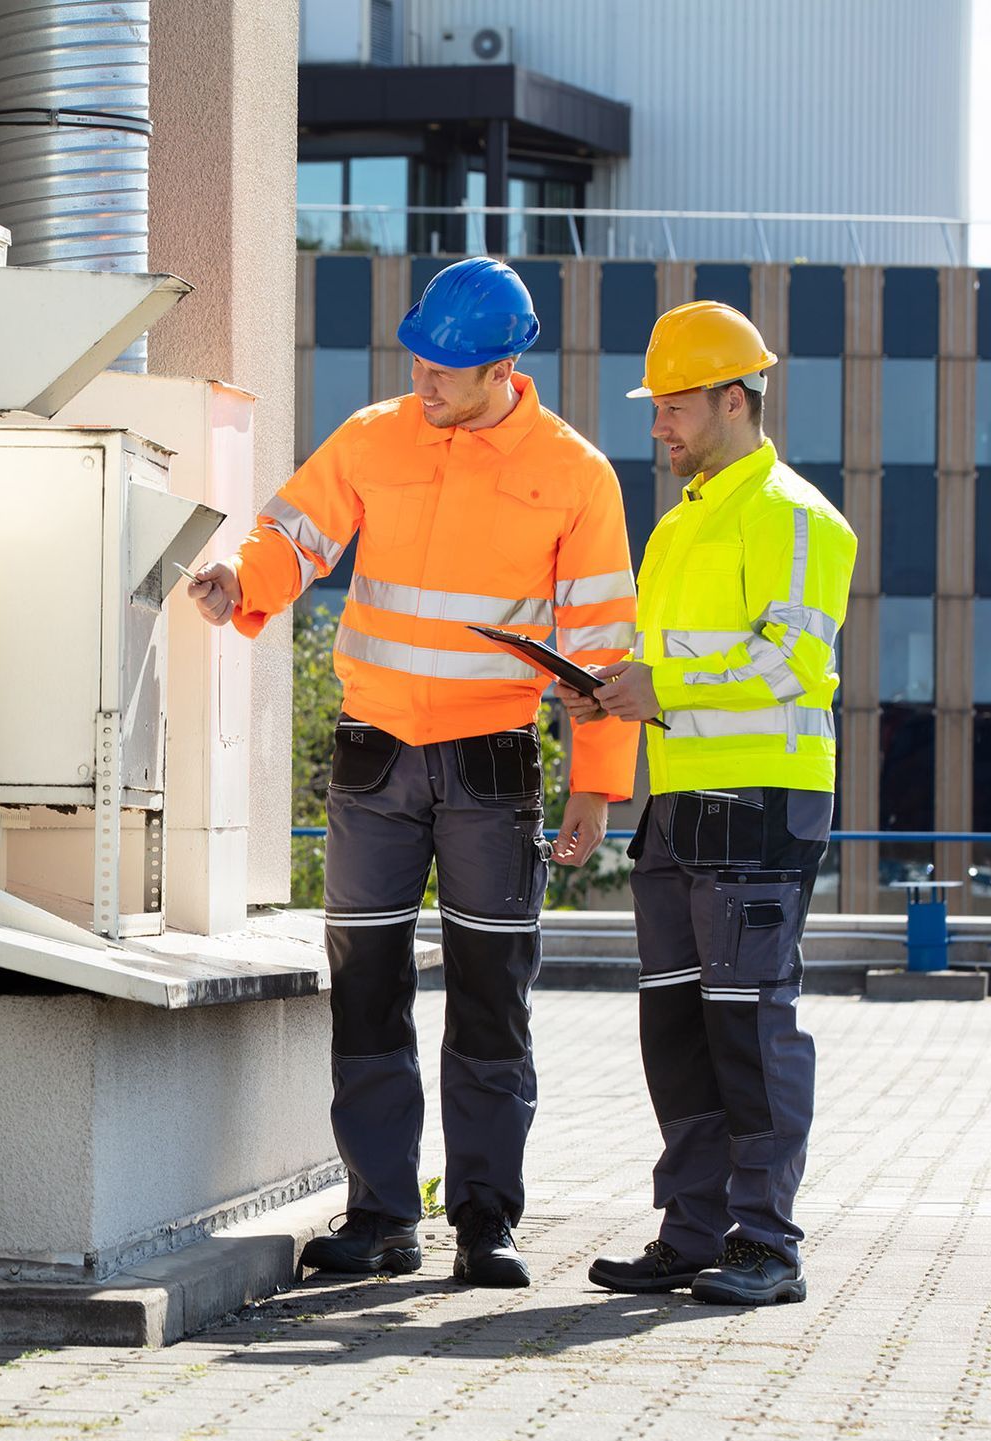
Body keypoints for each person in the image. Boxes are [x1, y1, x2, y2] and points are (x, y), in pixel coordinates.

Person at [187, 258, 639, 1288]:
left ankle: (485, 1223)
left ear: (506, 365)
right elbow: (294, 532)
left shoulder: (574, 474)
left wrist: (595, 786)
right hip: (374, 757)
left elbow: (604, 647)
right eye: (421, 360)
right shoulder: (374, 437)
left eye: (450, 368)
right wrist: (242, 581)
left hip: (492, 766)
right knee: (368, 993)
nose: (427, 380)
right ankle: (382, 1215)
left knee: (491, 1000)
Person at [558, 300, 856, 1307]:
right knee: (677, 1026)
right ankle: (691, 1233)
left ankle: (767, 1244)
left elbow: (795, 664)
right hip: (681, 806)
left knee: (748, 1022)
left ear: (736, 400)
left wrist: (661, 686)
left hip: (762, 809)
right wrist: (610, 687)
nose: (659, 425)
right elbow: (674, 665)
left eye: (676, 405)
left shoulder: (796, 516)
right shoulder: (683, 525)